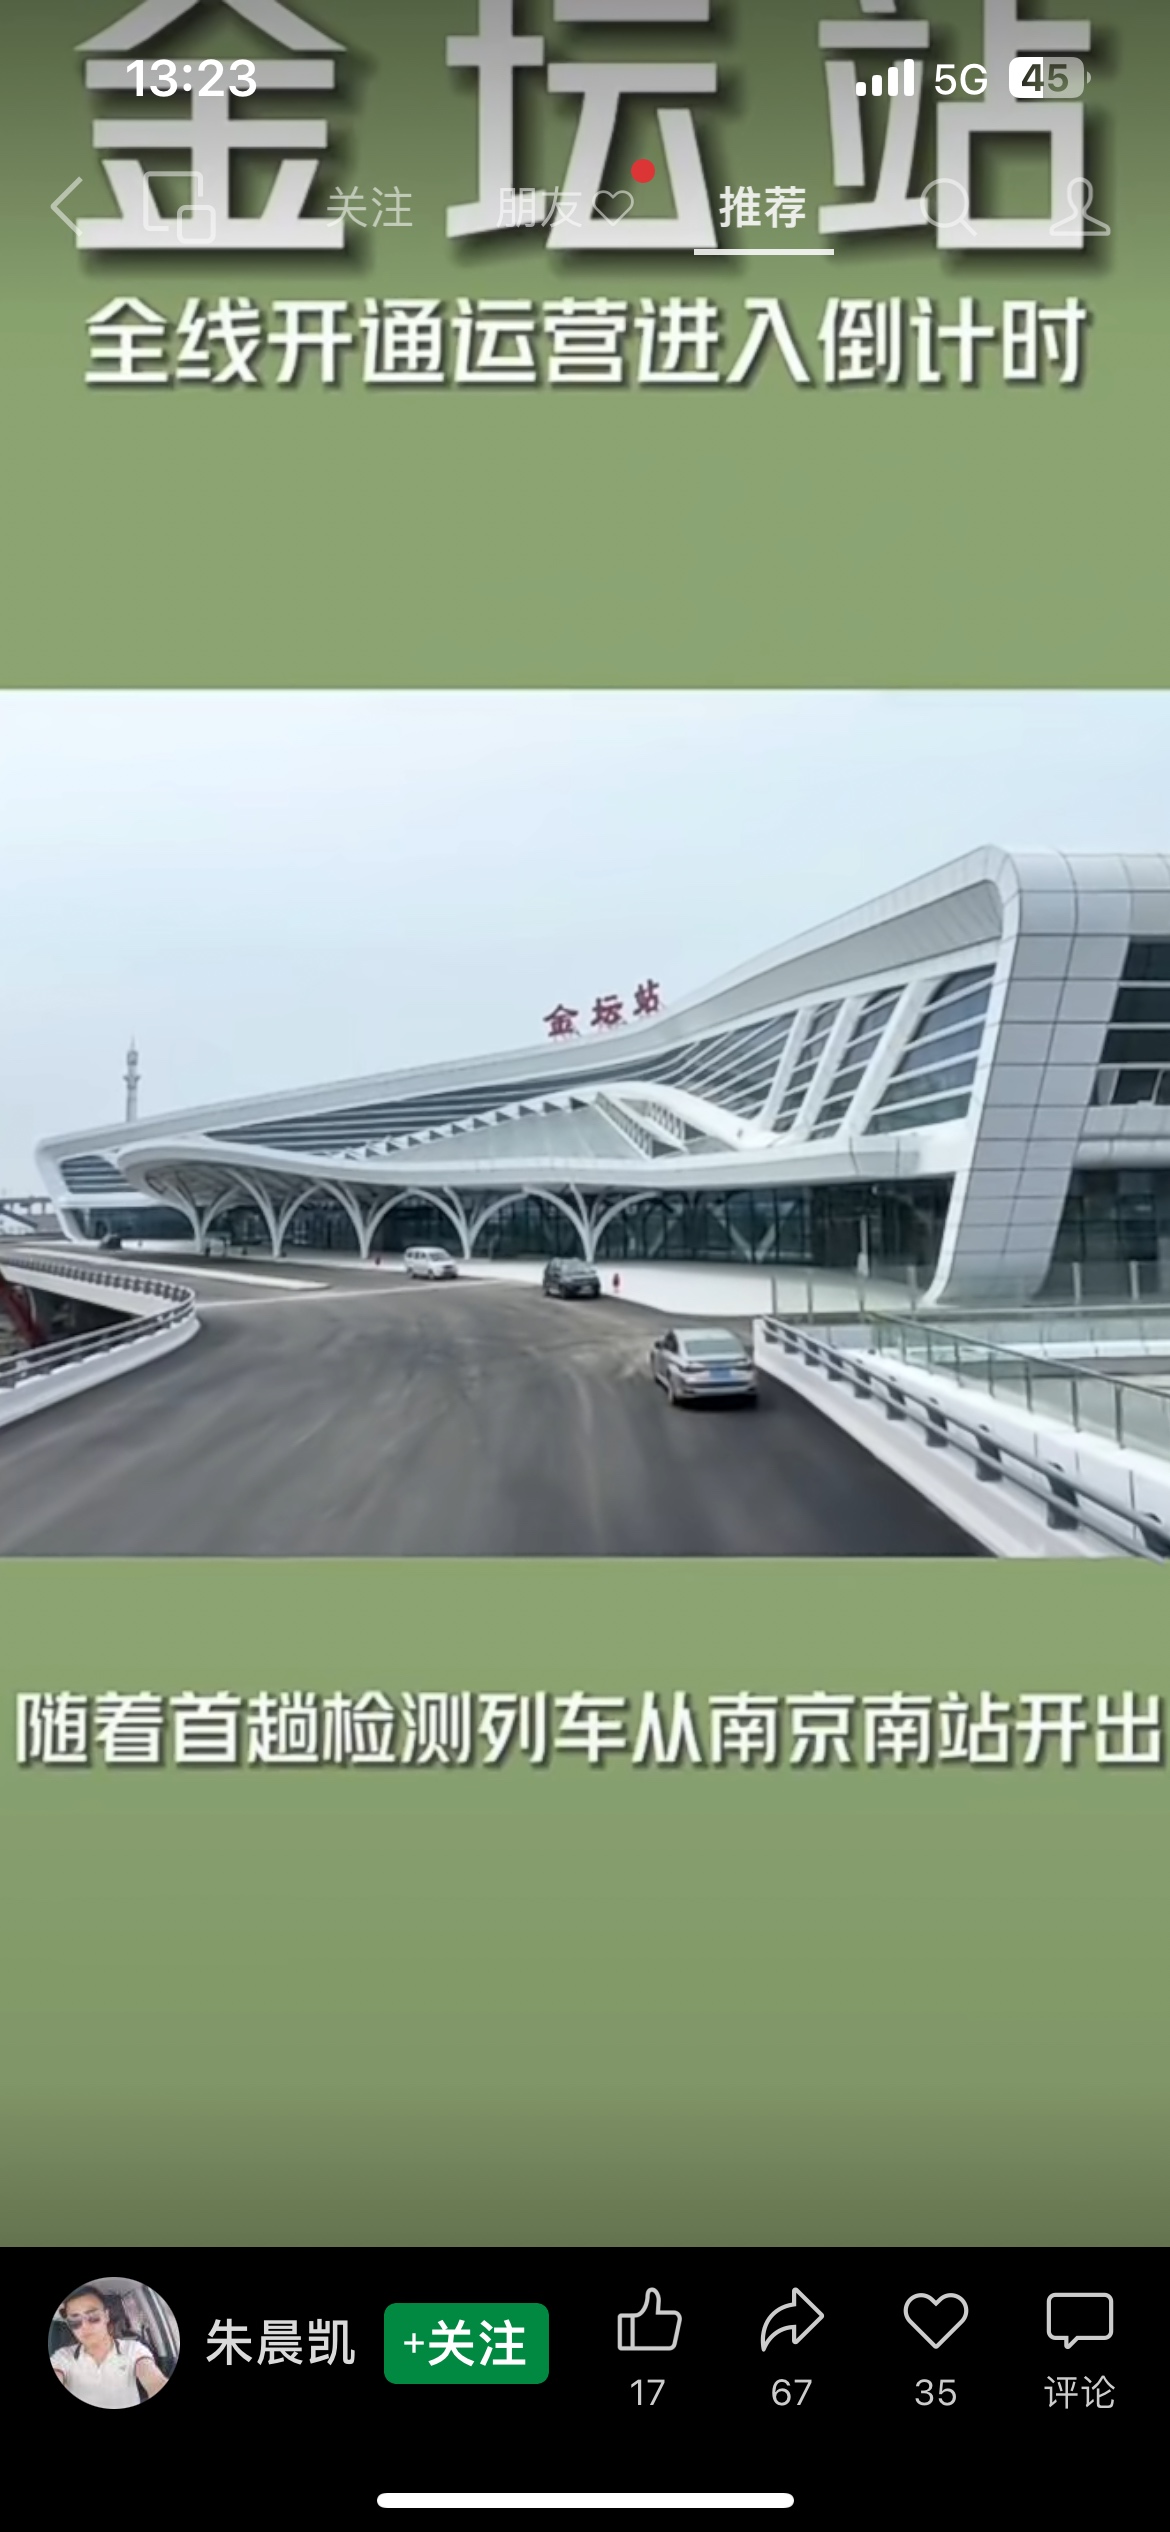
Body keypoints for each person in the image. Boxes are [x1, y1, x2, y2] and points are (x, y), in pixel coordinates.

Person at [51, 2285, 169, 2407]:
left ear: (106, 2316)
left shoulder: (133, 2349)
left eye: (93, 2317)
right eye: (74, 2322)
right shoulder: (63, 2356)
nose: (84, 2326)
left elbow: (154, 2380)